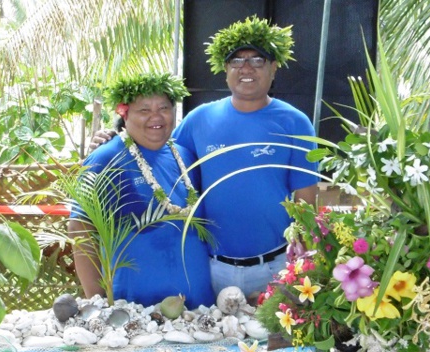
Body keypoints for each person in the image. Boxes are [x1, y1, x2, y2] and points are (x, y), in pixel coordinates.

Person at [90, 17, 318, 298]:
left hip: (274, 267)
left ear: (274, 67)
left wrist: (304, 265)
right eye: (236, 61)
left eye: (257, 60)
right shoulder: (199, 119)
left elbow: (306, 204)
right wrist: (114, 136)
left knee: (273, 340)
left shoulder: (295, 123)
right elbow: (156, 148)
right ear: (225, 70)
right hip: (210, 269)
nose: (245, 68)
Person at [68, 72, 215, 309]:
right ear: (124, 114)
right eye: (144, 110)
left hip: (198, 308)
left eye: (164, 108)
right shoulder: (104, 158)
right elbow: (80, 230)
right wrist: (98, 303)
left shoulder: (186, 156)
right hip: (133, 311)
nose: (156, 117)